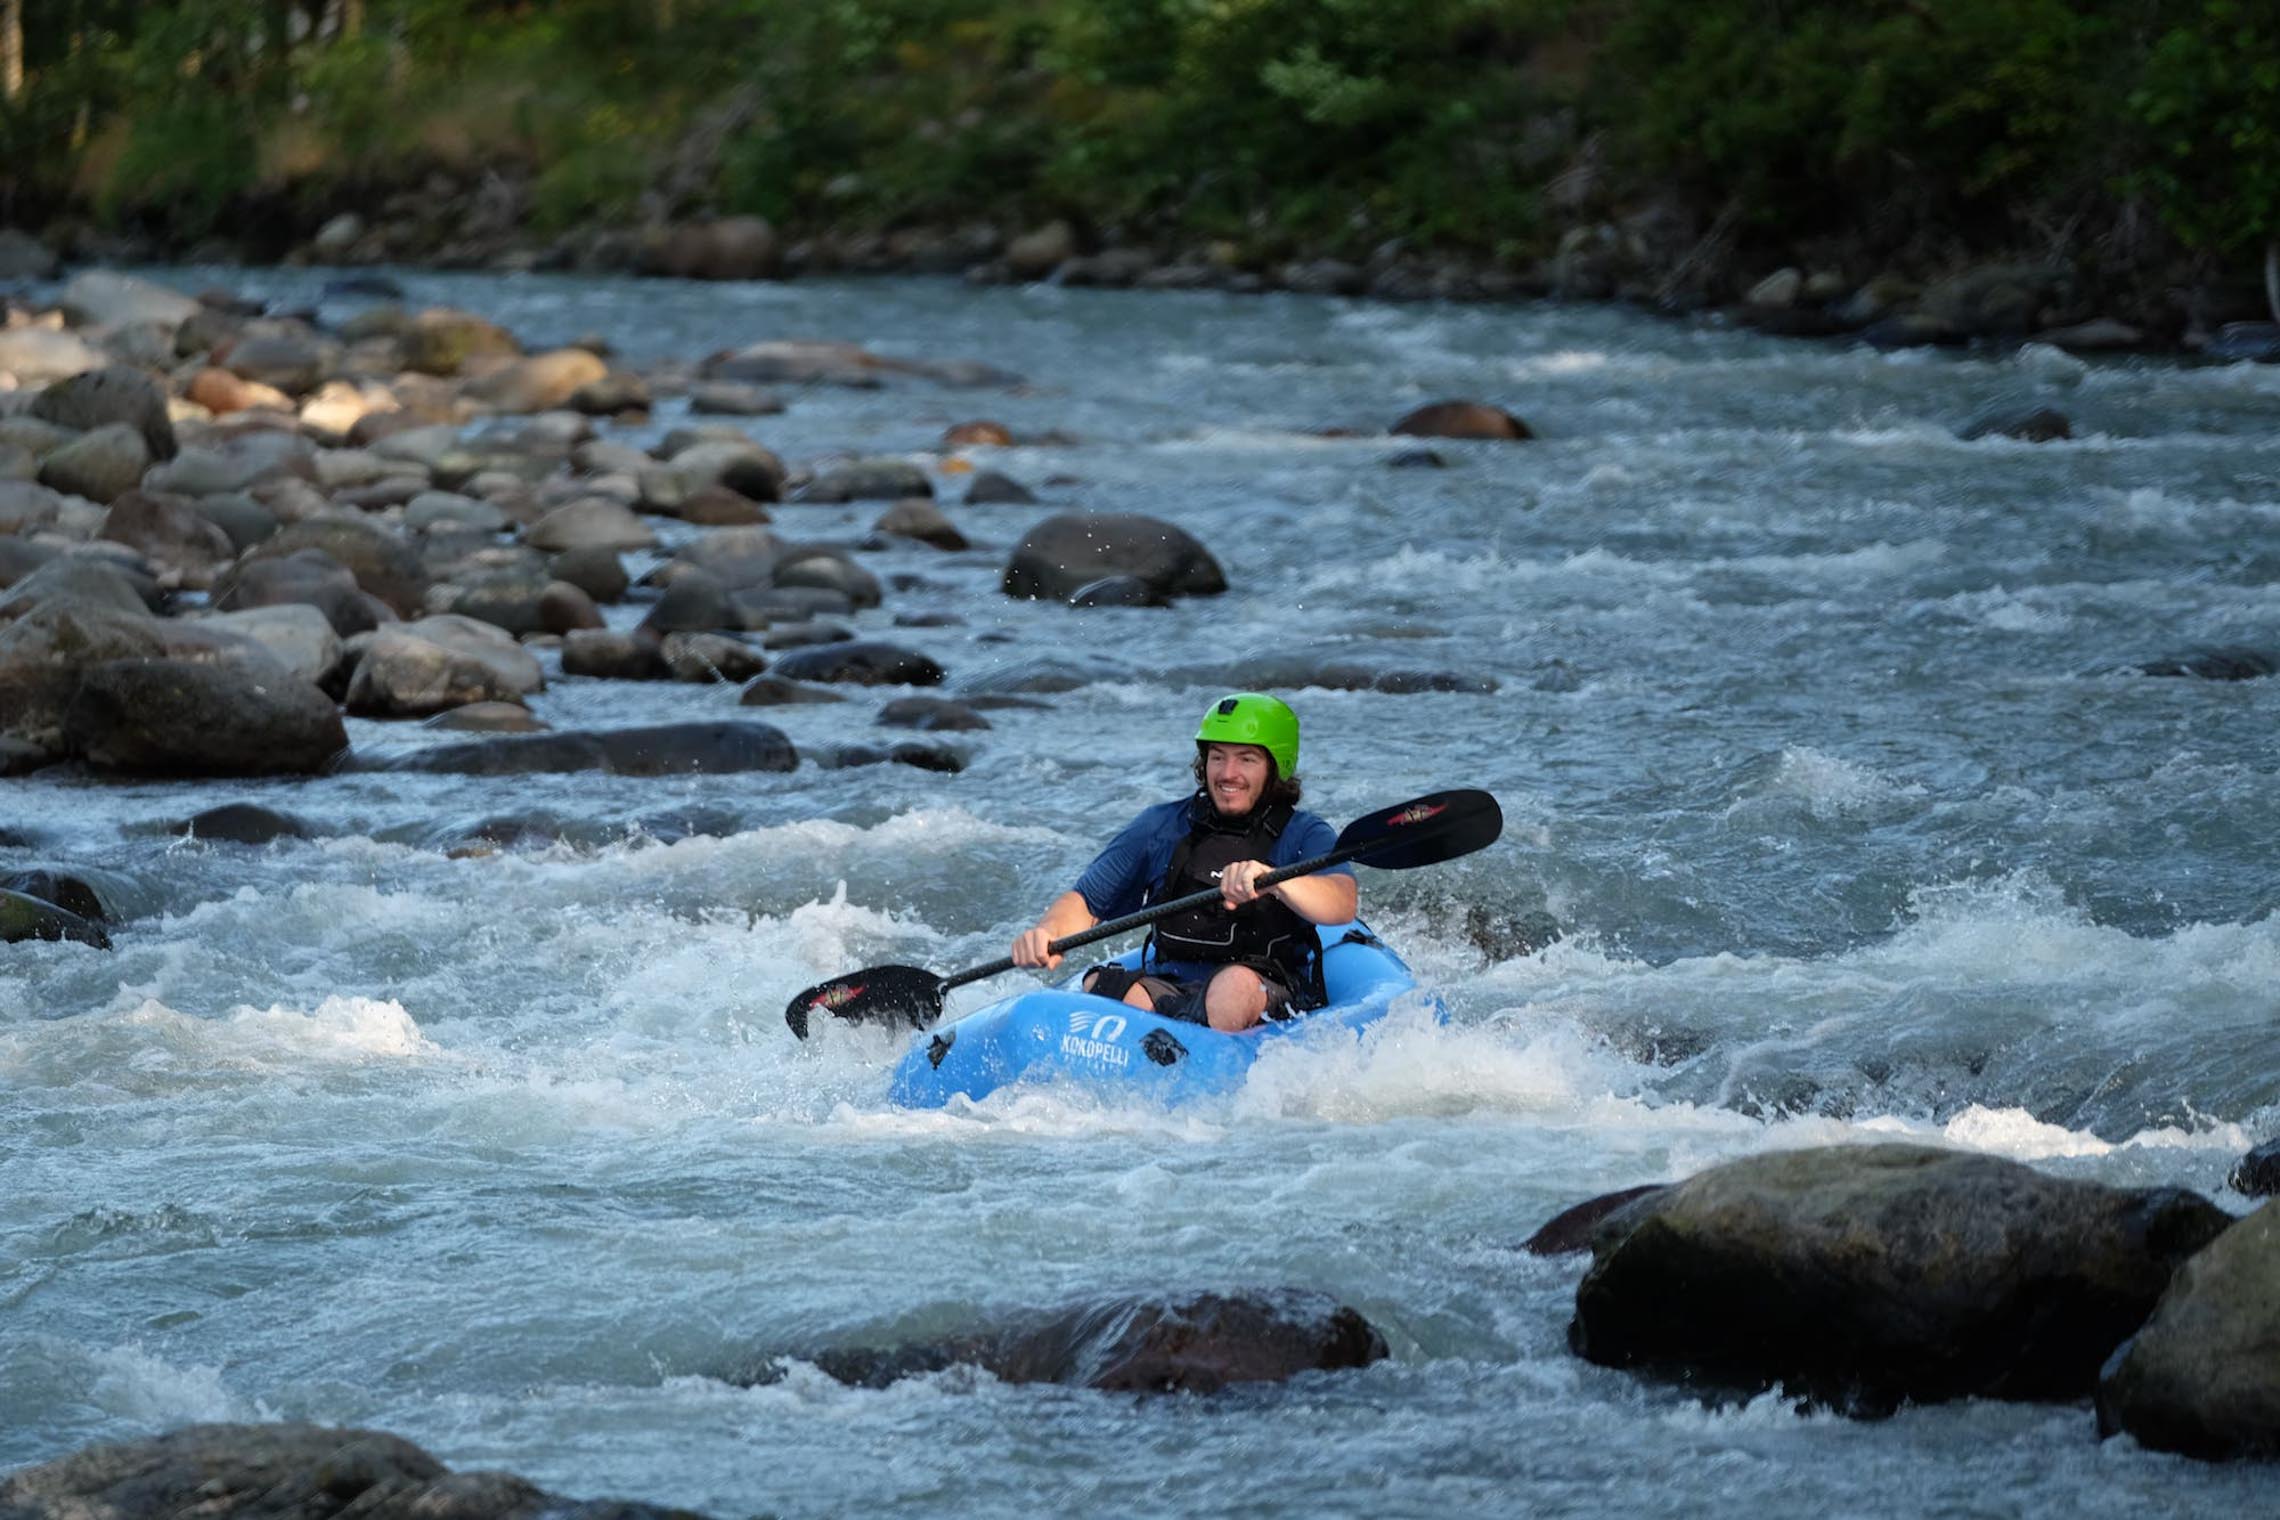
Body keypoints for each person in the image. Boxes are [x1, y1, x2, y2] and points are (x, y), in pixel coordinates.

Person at [1009, 693, 1358, 1032]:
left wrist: (1274, 880)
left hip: (1264, 989)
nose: (1227, 773)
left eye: (1246, 759)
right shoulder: (1161, 826)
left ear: (1276, 766)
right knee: (1102, 984)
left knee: (1233, 987)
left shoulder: (1305, 833)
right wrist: (1048, 933)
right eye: (1217, 757)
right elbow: (1087, 901)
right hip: (1171, 984)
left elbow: (1341, 903)